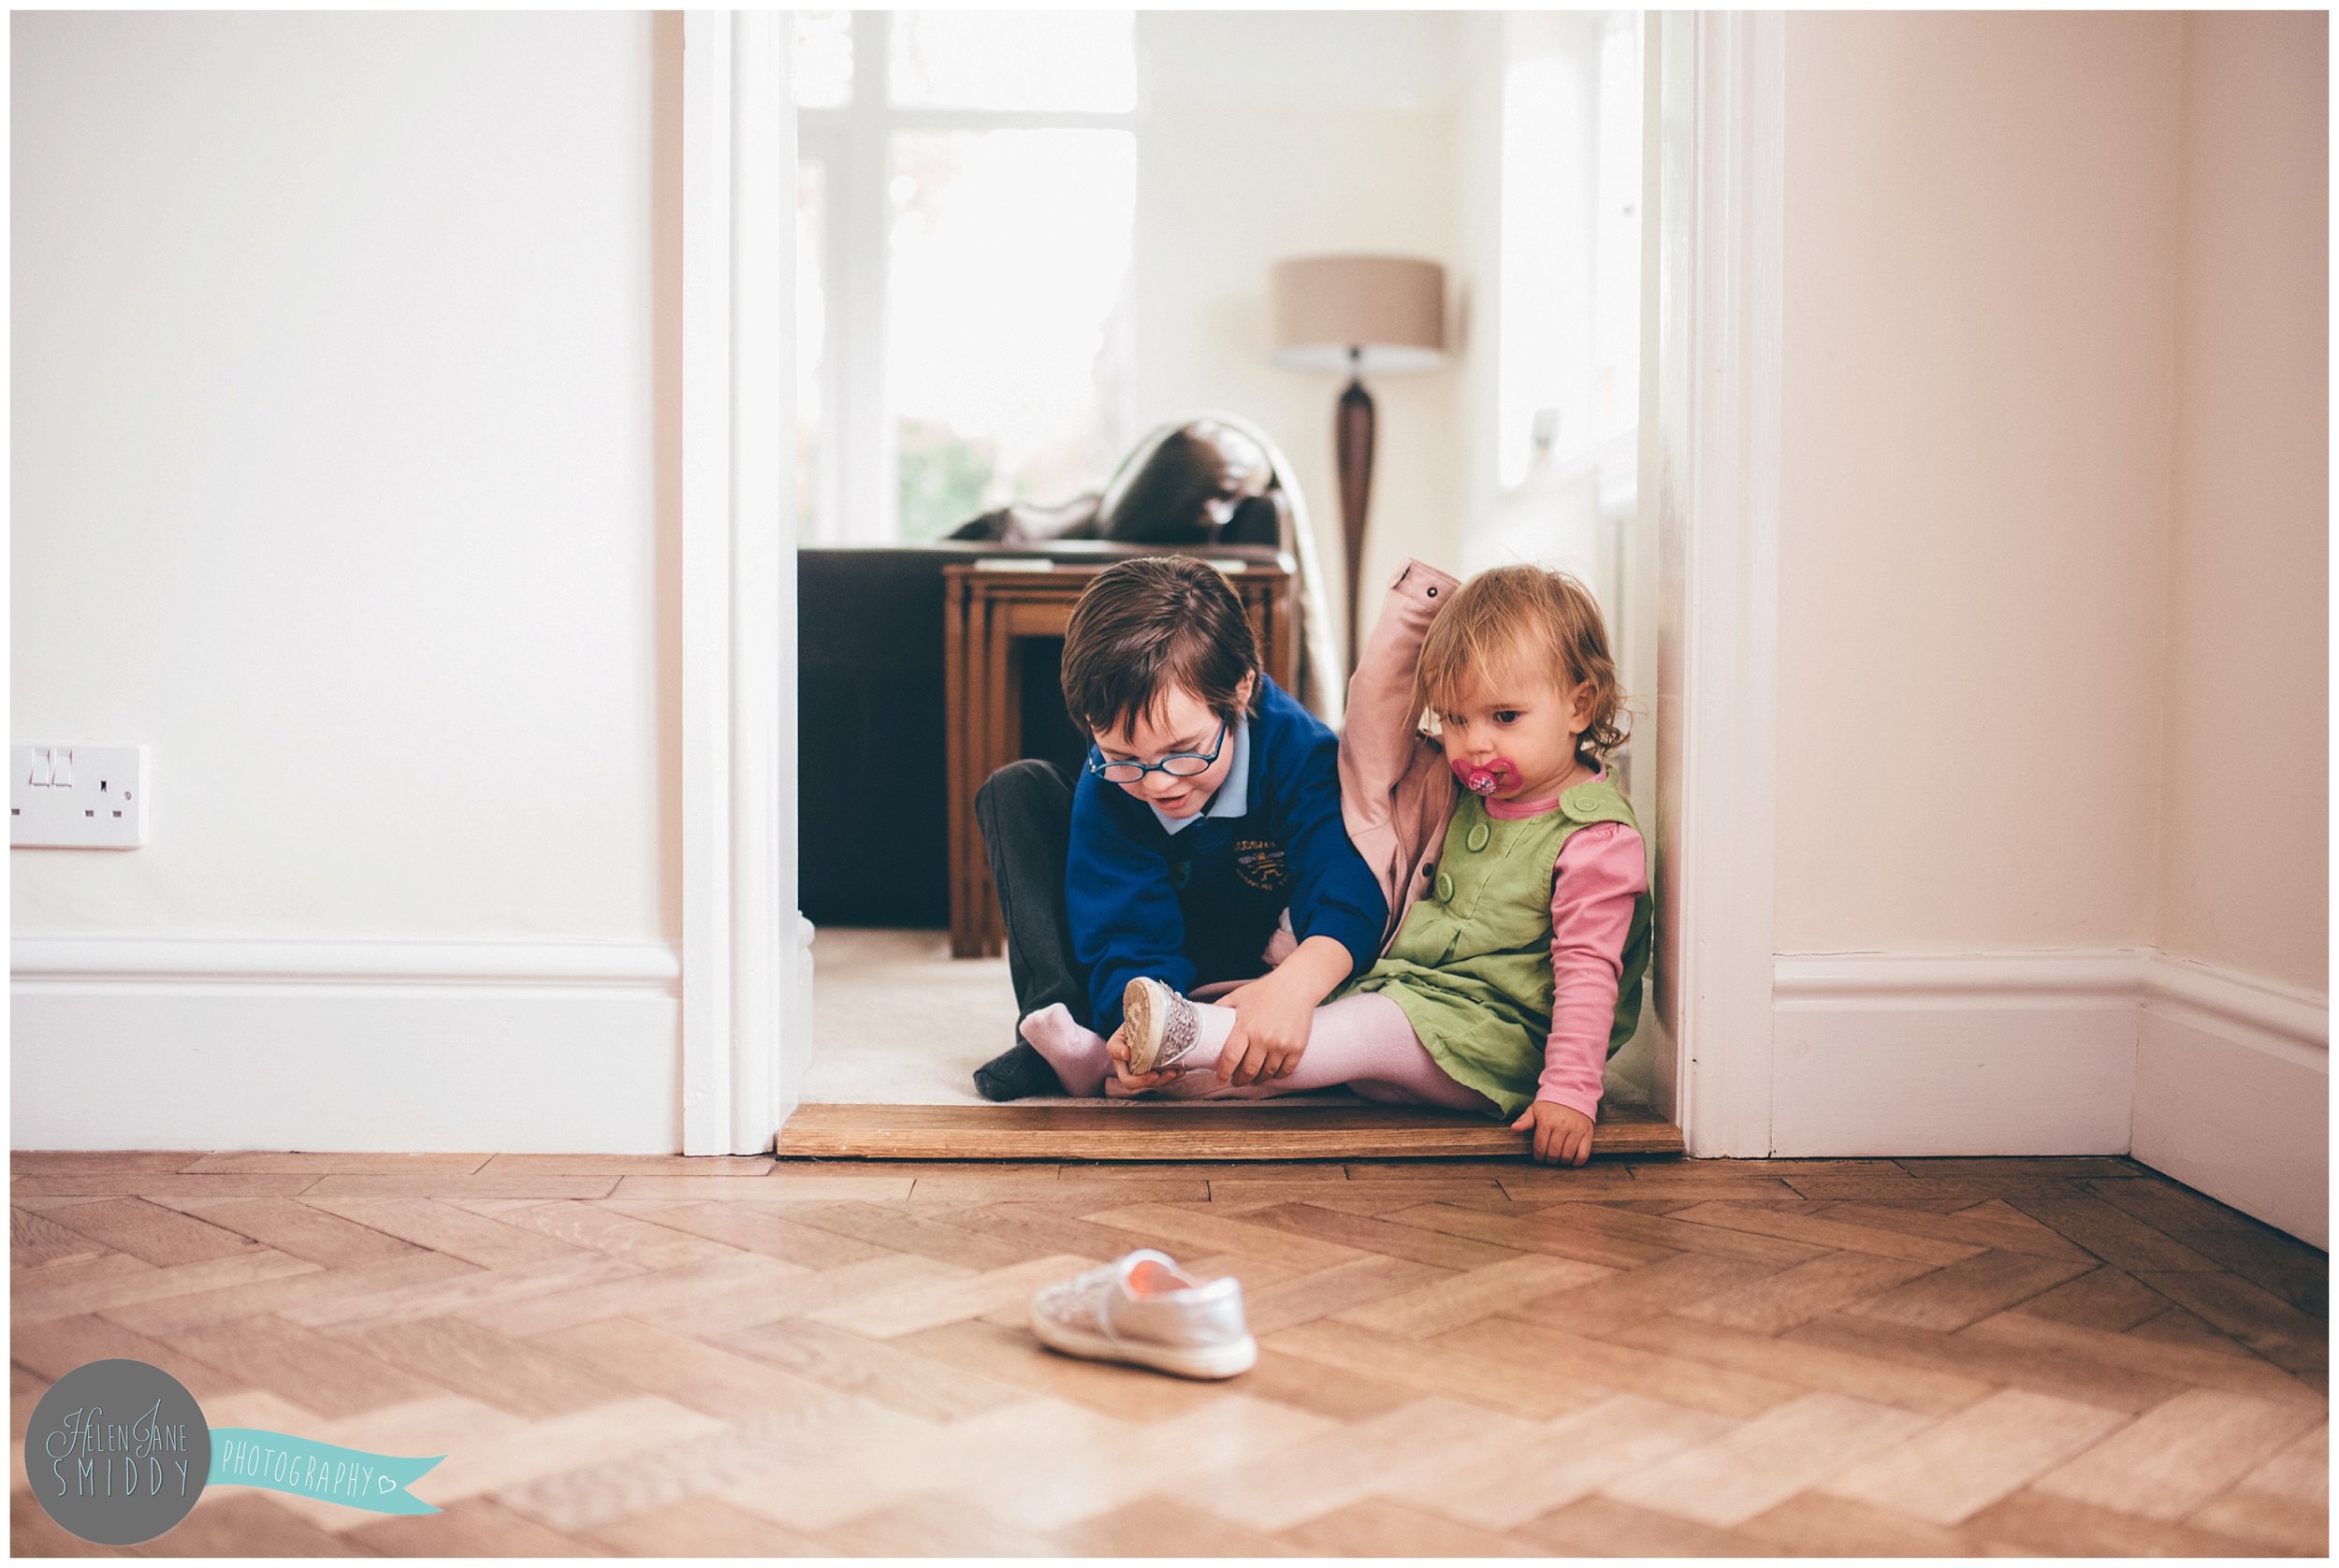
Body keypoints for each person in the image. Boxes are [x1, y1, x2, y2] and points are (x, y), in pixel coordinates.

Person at [1018, 559, 1653, 1167]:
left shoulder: (1588, 836)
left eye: (1505, 717)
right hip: (1415, 1006)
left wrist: (1570, 1092)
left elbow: (1588, 972)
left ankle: (1178, 1038)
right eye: (1454, 720)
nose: (1155, 782)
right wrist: (1131, 1008)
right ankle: (1141, 1054)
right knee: (1277, 1051)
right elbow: (1120, 920)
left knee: (1351, 1022)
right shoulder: (1462, 794)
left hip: (1487, 1040)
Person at [969, 555, 1389, 1101]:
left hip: (1260, 967)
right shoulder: (1112, 782)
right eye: (1124, 756)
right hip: (1157, 968)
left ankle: (1125, 1047)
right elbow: (1119, 920)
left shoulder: (1300, 753)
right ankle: (1071, 1034)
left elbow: (1348, 881)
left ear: (1240, 690)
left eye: (1183, 752)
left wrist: (1294, 988)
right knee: (1016, 790)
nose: (1158, 784)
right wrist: (1137, 1022)